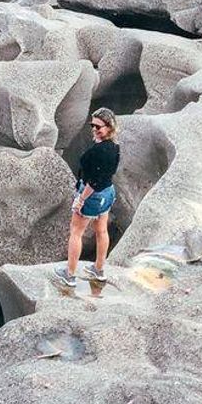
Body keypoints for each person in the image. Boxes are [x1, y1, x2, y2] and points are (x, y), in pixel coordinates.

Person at [55, 108, 120, 287]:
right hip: (107, 193)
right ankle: (98, 270)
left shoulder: (99, 151)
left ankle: (69, 275)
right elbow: (108, 173)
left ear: (109, 127)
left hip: (92, 194)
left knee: (76, 233)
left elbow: (93, 181)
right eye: (93, 125)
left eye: (99, 126)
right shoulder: (115, 146)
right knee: (101, 230)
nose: (94, 129)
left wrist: (81, 199)